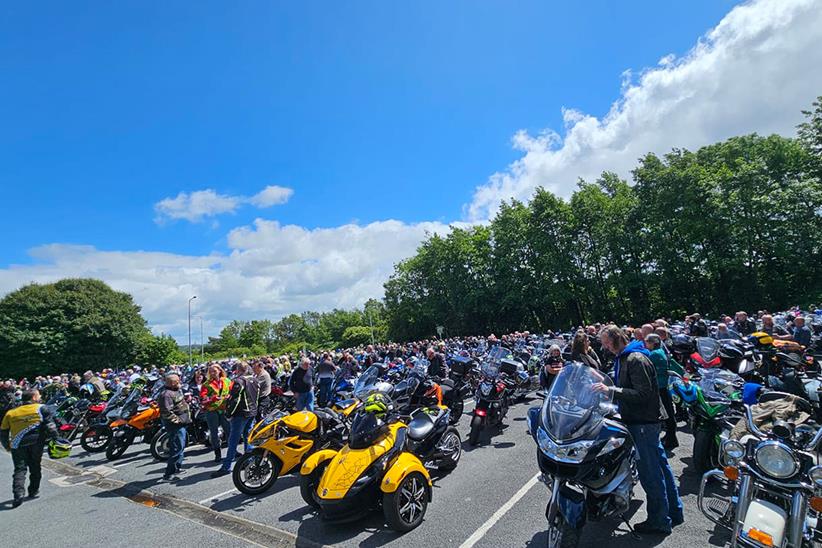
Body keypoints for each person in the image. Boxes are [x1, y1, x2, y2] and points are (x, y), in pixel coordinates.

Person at [593, 326, 683, 535]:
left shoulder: (635, 358)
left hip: (643, 422)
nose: (605, 347)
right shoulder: (627, 357)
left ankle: (659, 520)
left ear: (616, 339)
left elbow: (642, 393)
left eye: (606, 342)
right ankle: (673, 511)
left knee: (650, 473)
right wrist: (604, 381)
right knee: (660, 467)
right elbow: (629, 383)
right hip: (644, 421)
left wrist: (611, 390)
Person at [1, 389, 57, 507]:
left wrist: (7, 446)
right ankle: (33, 490)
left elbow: (3, 432)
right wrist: (57, 439)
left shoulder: (11, 413)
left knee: (20, 469)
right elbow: (50, 426)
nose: (40, 396)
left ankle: (18, 494)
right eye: (38, 395)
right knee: (35, 466)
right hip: (37, 442)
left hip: (17, 444)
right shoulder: (41, 408)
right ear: (33, 398)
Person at [211, 362, 260, 478]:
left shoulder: (239, 381)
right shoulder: (254, 379)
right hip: (252, 412)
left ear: (238, 369)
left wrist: (228, 413)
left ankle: (226, 466)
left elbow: (234, 400)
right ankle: (249, 461)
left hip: (241, 414)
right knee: (248, 438)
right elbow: (256, 397)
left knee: (233, 440)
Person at [645, 334, 678, 450]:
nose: (645, 344)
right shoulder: (660, 351)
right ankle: (670, 437)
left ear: (653, 343)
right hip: (664, 386)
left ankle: (671, 439)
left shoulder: (654, 354)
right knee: (668, 412)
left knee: (667, 413)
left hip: (661, 386)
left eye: (647, 342)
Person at [158, 373, 191, 481]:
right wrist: (179, 421)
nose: (179, 382)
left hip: (182, 424)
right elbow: (166, 412)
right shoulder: (166, 395)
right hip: (175, 426)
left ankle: (177, 467)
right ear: (172, 383)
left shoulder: (175, 391)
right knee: (176, 448)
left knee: (181, 446)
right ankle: (169, 474)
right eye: (177, 381)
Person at [200, 364, 231, 463]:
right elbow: (203, 399)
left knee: (229, 430)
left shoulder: (227, 381)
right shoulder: (206, 384)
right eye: (211, 371)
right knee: (214, 433)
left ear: (219, 370)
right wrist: (212, 399)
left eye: (214, 371)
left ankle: (232, 450)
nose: (213, 373)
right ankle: (217, 453)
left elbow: (232, 391)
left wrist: (229, 396)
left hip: (224, 409)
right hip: (212, 411)